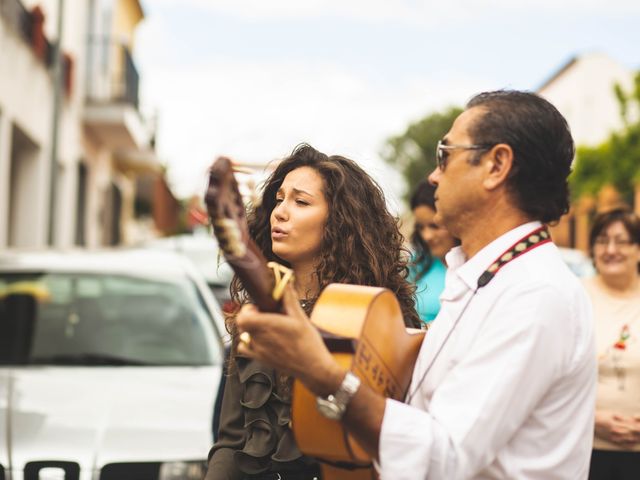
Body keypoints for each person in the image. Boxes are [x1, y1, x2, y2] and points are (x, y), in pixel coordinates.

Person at [234, 90, 597, 479]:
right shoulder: (490, 280)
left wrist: (321, 372)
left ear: (496, 165)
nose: (434, 175)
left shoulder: (533, 295)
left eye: (446, 155)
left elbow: (446, 457)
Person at [205, 144, 420, 479]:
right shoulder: (256, 316)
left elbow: (393, 437)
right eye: (278, 199)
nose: (280, 212)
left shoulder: (373, 315)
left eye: (301, 202)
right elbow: (231, 443)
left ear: (340, 221)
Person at [582, 207, 640, 479]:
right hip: (585, 449)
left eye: (622, 240)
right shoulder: (575, 296)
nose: (610, 249)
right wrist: (591, 420)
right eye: (602, 240)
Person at [408, 180, 458, 324]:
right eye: (420, 228)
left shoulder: (476, 265)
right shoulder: (414, 265)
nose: (427, 236)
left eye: (434, 226)